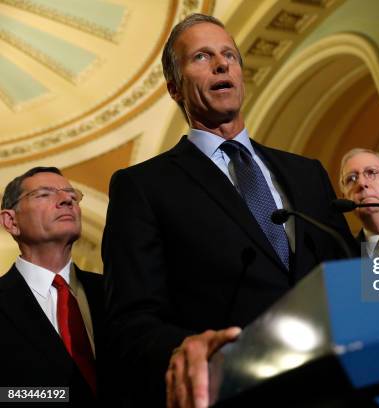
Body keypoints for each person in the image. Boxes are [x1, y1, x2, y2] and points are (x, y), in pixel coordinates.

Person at [102, 13, 354, 406]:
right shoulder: (143, 187)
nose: (222, 64)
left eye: (229, 56)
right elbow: (133, 321)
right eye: (201, 57)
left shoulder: (307, 173)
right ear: (174, 87)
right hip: (241, 390)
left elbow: (347, 273)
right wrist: (186, 349)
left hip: (341, 385)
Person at [0, 167, 103, 405]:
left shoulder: (115, 293)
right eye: (44, 194)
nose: (66, 199)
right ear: (11, 221)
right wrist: (59, 395)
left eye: (72, 194)